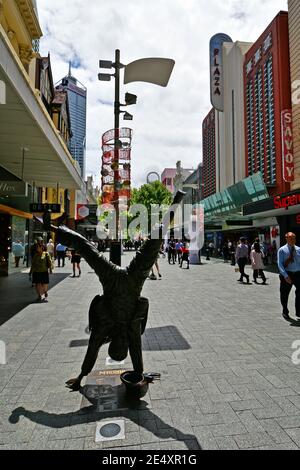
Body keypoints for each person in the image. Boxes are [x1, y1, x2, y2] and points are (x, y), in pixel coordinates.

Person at [35, 190, 185, 391]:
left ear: (114, 342)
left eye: (120, 344)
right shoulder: (129, 330)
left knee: (88, 247)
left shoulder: (105, 328)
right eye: (125, 345)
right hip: (130, 280)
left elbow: (93, 350)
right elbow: (137, 355)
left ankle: (52, 227)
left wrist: (81, 376)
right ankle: (175, 202)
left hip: (115, 279)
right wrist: (141, 375)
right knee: (154, 240)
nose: (126, 342)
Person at [277, 232, 300, 321]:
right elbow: (280, 264)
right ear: (286, 238)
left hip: (298, 274)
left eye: (294, 238)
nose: (292, 240)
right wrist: (286, 276)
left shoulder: (298, 249)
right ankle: (285, 311)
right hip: (287, 274)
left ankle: (299, 312)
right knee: (284, 294)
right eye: (290, 238)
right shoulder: (282, 250)